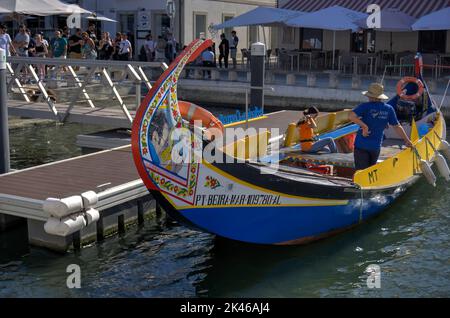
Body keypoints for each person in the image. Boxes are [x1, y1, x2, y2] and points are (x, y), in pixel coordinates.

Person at [349, 83, 413, 170]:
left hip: (361, 146)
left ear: (370, 96)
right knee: (370, 172)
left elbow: (351, 116)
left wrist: (364, 127)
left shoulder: (365, 106)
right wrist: (407, 140)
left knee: (360, 173)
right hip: (375, 147)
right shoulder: (388, 109)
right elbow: (397, 126)